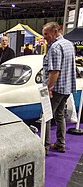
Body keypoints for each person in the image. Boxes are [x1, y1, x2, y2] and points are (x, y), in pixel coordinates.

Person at [42, 22, 76, 155]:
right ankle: (60, 143)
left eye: (46, 34)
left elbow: (54, 71)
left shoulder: (55, 47)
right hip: (67, 88)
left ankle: (44, 147)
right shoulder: (68, 44)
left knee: (46, 116)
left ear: (55, 32)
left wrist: (48, 88)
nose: (44, 37)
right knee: (59, 115)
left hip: (55, 89)